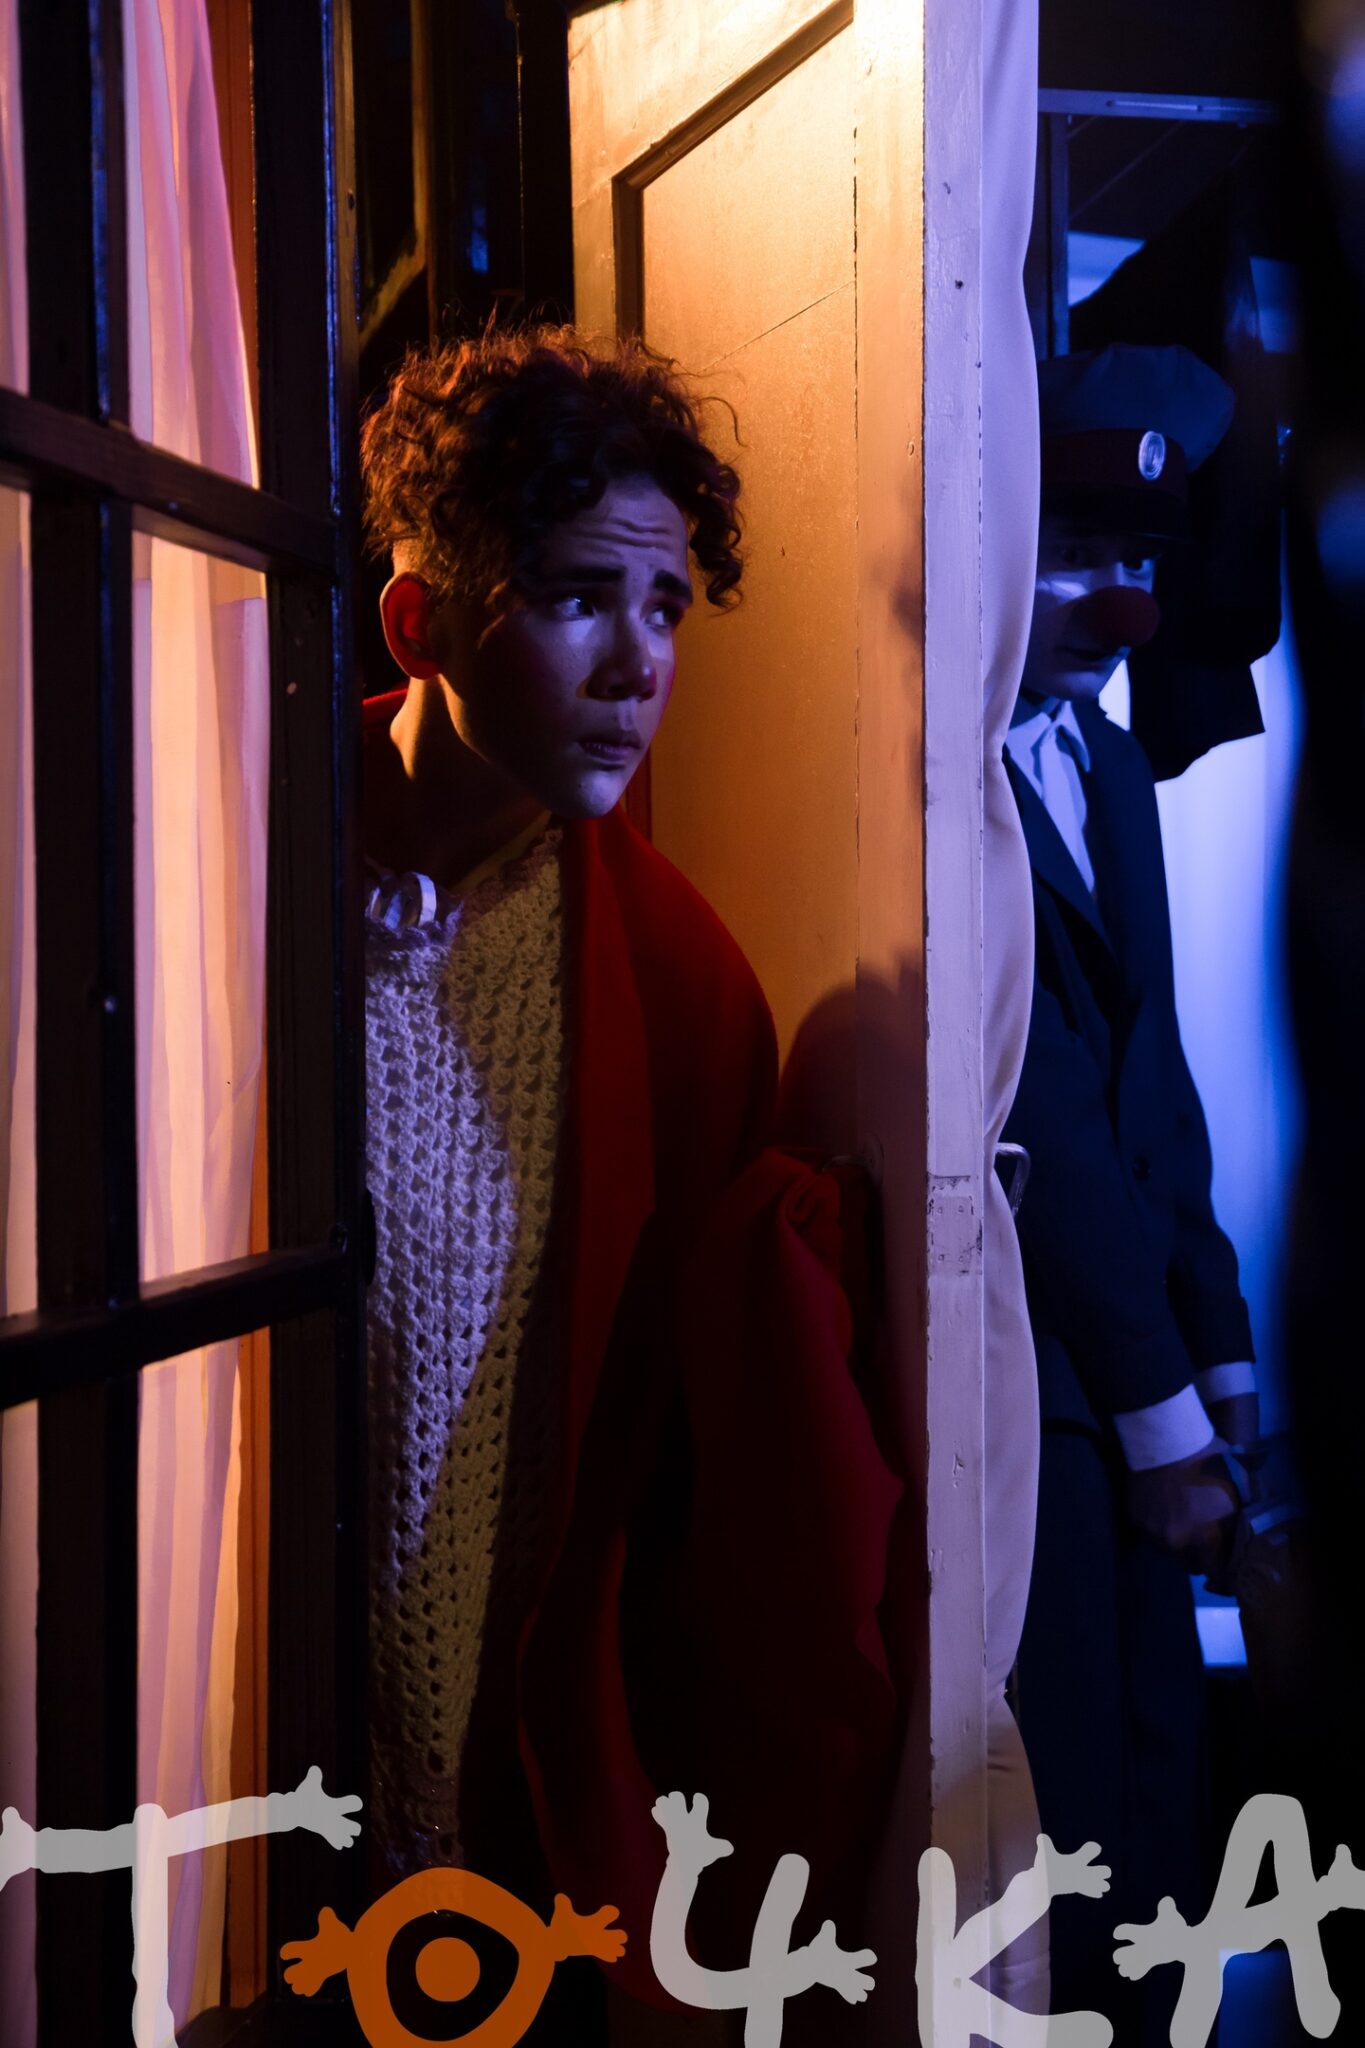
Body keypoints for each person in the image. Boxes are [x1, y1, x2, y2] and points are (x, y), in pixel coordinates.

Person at [358, 327, 899, 2037]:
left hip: (515, 1789)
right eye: (580, 598)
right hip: (225, 1705)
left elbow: (692, 1480)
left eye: (665, 609)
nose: (637, 665)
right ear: (421, 622)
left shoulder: (677, 980)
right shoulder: (228, 851)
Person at [1001, 344, 1260, 2043]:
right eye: (1077, 554)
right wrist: (1165, 1419)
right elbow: (1040, 1115)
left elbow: (1151, 1079)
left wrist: (1221, 1350)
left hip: (1150, 1376)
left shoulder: (1099, 768)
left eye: (1140, 560)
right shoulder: (947, 779)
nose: (1118, 602)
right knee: (1072, 1794)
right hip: (1039, 1378)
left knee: (1166, 1781)